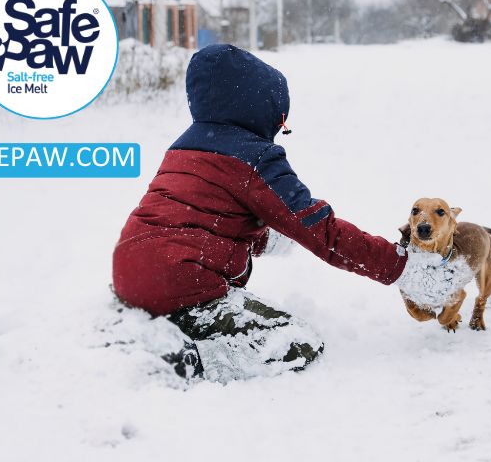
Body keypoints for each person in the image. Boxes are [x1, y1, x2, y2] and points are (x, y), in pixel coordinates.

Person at [112, 44, 451, 382]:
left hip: (129, 271)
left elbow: (202, 218)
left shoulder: (184, 147)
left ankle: (166, 321)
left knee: (179, 295)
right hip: (182, 281)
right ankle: (187, 360)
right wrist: (400, 267)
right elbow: (322, 230)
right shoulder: (256, 158)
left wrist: (264, 238)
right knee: (294, 342)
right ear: (263, 109)